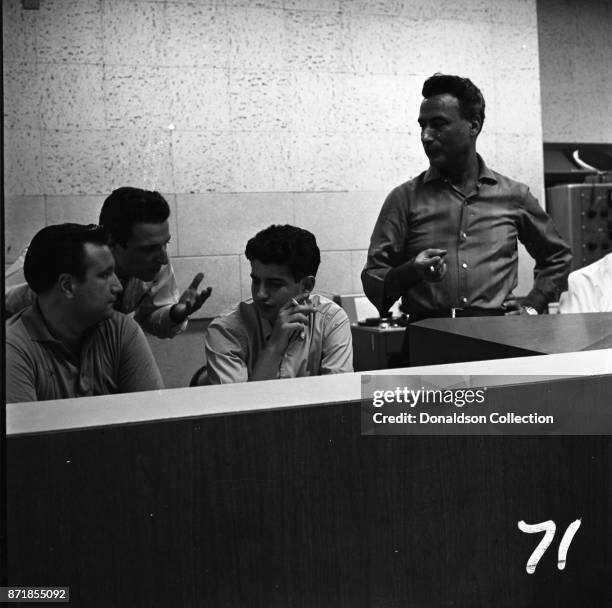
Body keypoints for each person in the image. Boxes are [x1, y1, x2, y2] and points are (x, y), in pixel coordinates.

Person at [362, 73, 572, 338]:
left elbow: (557, 257)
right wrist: (411, 271)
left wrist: (533, 306)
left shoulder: (514, 195)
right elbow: (373, 280)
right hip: (428, 340)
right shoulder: (404, 199)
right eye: (422, 125)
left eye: (438, 124)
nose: (426, 136)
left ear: (473, 125)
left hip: (499, 340)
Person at [5, 187, 211, 339]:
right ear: (112, 242)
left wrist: (175, 313)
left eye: (166, 244)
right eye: (149, 248)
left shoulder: (156, 263)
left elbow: (152, 317)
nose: (163, 258)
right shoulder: (58, 253)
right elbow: (8, 299)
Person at [6, 223, 164, 403]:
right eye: (104, 275)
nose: (118, 287)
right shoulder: (13, 349)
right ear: (67, 286)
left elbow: (154, 420)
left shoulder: (121, 331)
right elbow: (25, 431)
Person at [202, 224, 353, 384]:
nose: (260, 294)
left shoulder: (331, 320)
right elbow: (240, 406)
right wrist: (275, 344)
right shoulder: (226, 329)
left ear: (307, 286)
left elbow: (340, 395)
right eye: (256, 281)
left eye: (274, 284)